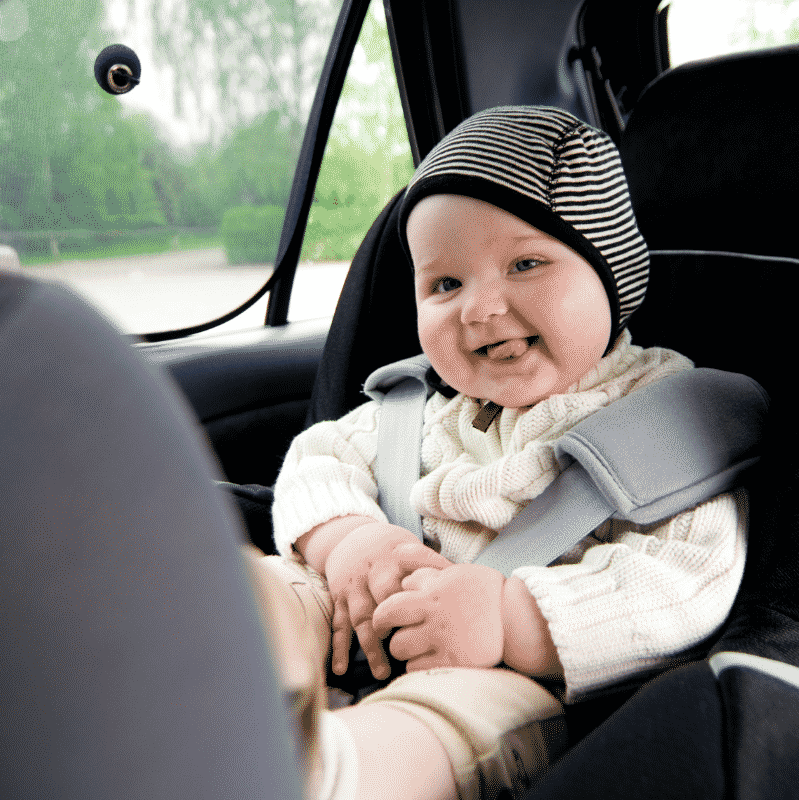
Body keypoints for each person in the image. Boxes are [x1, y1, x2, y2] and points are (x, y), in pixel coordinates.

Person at [247, 105, 748, 800]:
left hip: (519, 678)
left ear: (611, 276)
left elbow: (685, 581)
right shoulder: (423, 407)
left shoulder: (664, 421)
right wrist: (351, 544)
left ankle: (320, 775)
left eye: (526, 263)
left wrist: (508, 620)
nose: (479, 309)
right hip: (367, 612)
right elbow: (319, 458)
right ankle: (179, 657)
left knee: (443, 729)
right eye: (444, 285)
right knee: (274, 588)